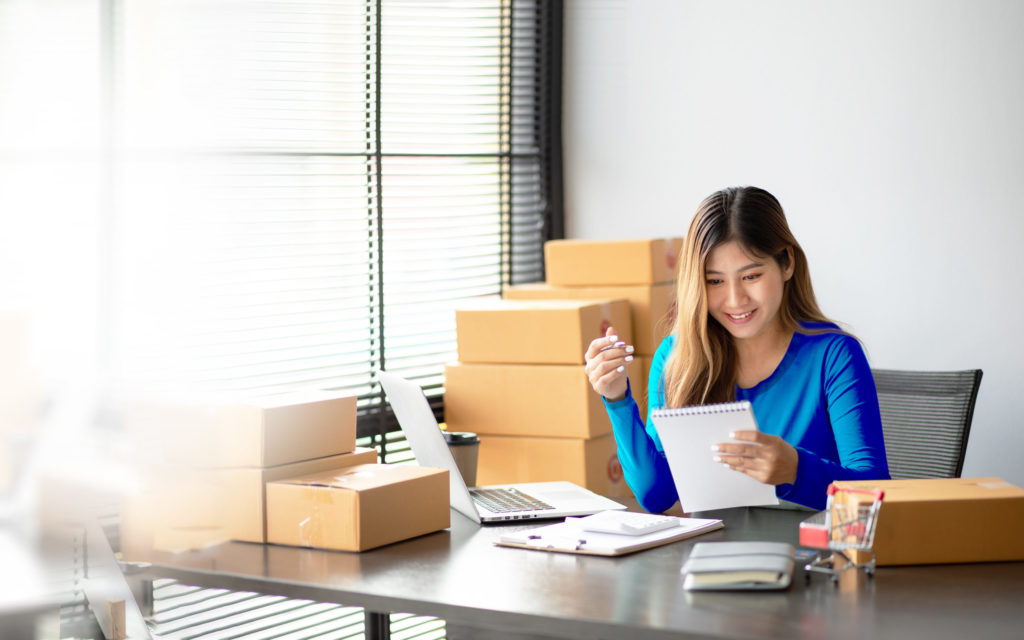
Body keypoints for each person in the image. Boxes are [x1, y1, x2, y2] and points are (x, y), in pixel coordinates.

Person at [584, 186, 889, 512]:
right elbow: (656, 496)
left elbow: (873, 492)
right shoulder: (676, 358)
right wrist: (617, 399)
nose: (735, 300)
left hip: (808, 556)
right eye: (715, 281)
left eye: (751, 276)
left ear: (786, 264)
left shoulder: (835, 356)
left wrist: (796, 471)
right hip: (708, 555)